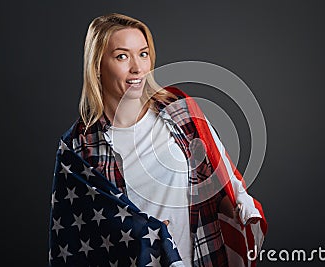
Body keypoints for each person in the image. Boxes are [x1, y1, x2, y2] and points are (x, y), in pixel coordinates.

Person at [49, 13, 267, 267]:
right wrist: (145, 235)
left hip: (204, 256)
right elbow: (76, 239)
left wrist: (240, 208)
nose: (137, 68)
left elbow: (220, 177)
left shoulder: (179, 112)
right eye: (122, 56)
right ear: (97, 65)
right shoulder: (77, 147)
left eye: (143, 53)